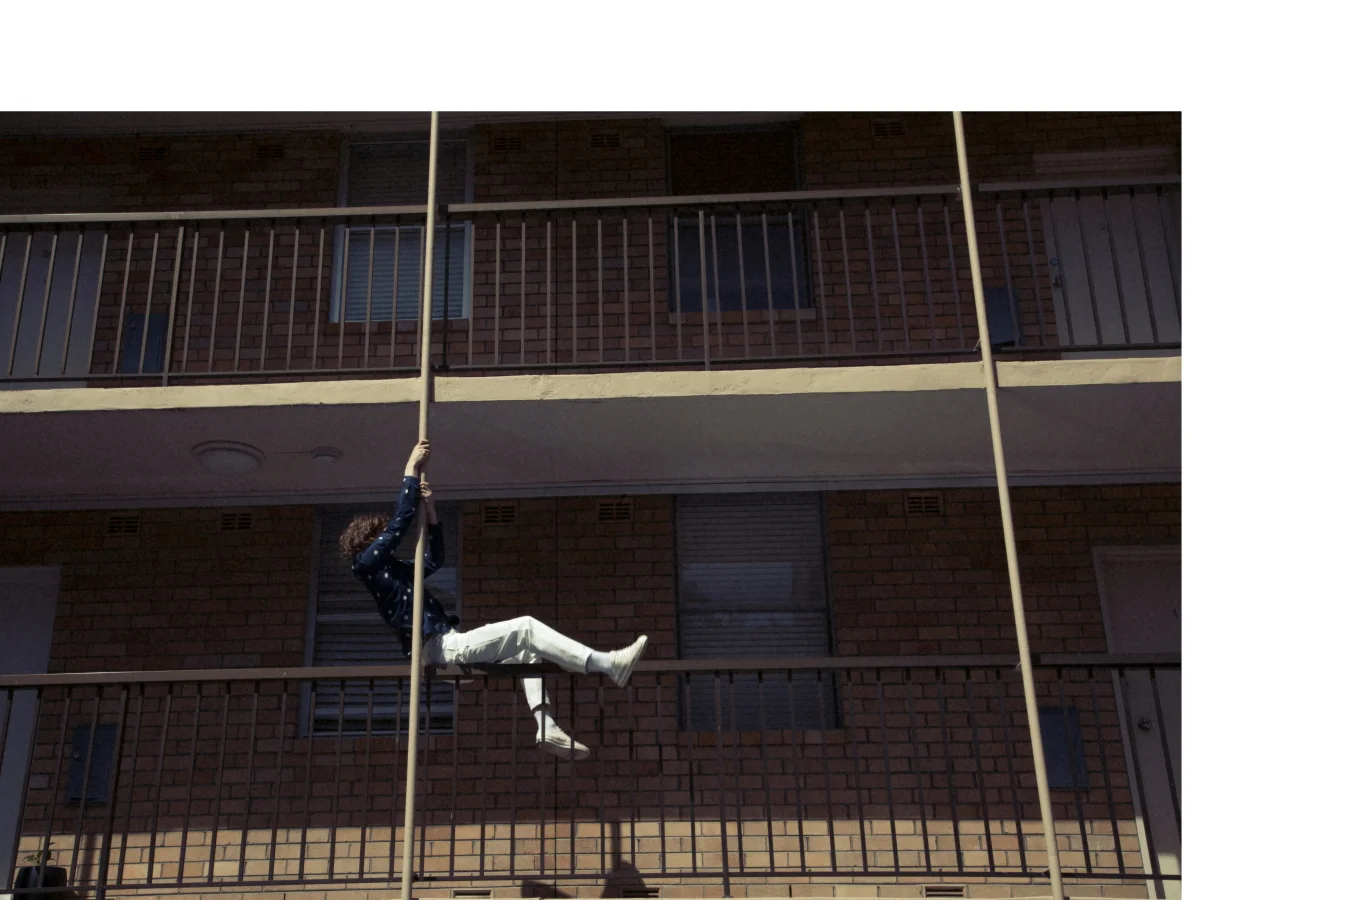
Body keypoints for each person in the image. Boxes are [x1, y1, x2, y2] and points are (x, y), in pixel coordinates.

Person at [339, 439, 648, 761]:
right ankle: (607, 664)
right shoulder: (365, 564)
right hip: (440, 647)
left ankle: (546, 726)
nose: (385, 538)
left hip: (446, 647)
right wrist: (411, 469)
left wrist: (431, 513)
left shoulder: (392, 570)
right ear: (367, 540)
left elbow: (433, 561)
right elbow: (400, 524)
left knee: (527, 650)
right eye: (379, 535)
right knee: (526, 627)